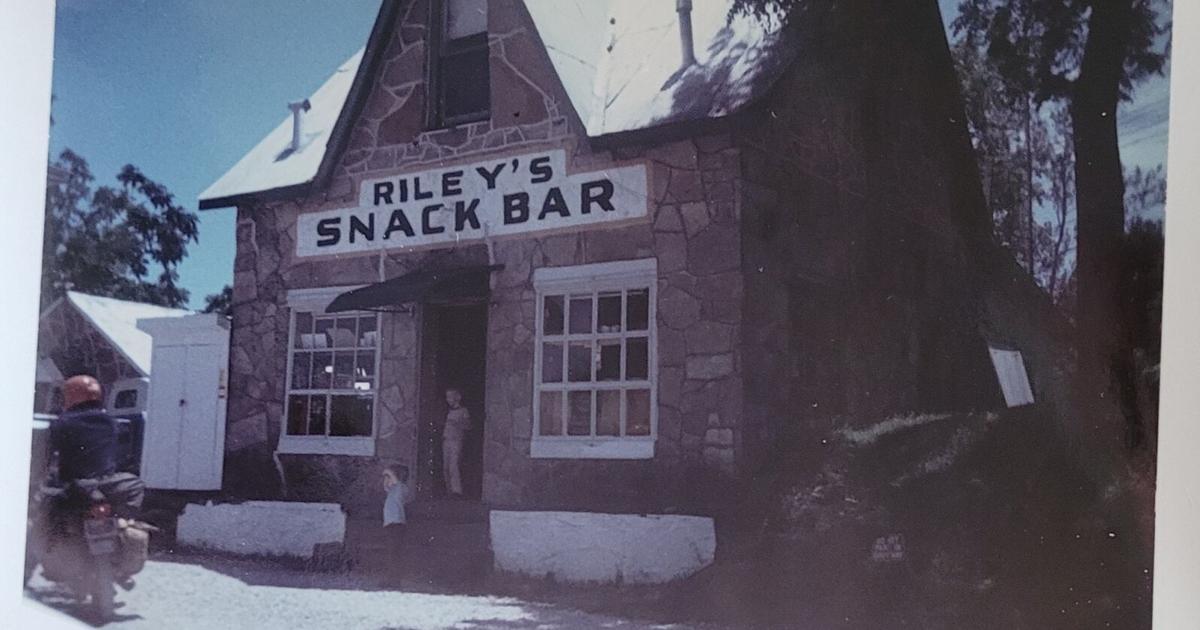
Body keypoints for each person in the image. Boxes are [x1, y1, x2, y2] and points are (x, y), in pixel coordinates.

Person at [48, 375, 144, 516]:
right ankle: (122, 519)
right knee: (137, 484)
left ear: (70, 396)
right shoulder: (112, 423)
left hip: (74, 486)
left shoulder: (62, 423)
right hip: (107, 485)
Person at [381, 464, 413, 583]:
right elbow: (386, 486)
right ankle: (392, 578)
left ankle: (394, 580)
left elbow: (394, 479)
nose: (387, 480)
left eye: (389, 478)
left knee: (394, 553)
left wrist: (389, 471)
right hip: (391, 525)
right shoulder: (393, 490)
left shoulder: (401, 488)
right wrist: (386, 476)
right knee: (392, 553)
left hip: (396, 525)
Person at [441, 387, 470, 498]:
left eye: (450, 397)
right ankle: (448, 491)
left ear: (457, 398)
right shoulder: (448, 411)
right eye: (447, 397)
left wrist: (457, 424)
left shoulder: (463, 411)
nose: (448, 399)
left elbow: (468, 425)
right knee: (446, 467)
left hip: (456, 441)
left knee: (454, 465)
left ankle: (456, 491)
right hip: (446, 440)